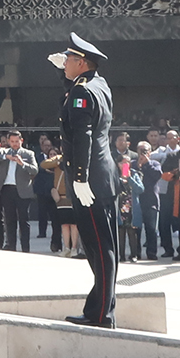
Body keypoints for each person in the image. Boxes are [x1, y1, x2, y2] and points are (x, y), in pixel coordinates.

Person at [48, 32, 116, 327]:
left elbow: (82, 135)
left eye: (68, 59)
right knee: (101, 246)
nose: (64, 62)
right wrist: (64, 75)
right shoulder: (97, 85)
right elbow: (77, 103)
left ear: (81, 62)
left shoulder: (81, 92)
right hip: (101, 175)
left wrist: (80, 177)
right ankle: (99, 308)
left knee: (98, 247)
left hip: (89, 179)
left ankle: (101, 314)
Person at [0, 130, 34, 250]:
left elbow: (35, 170)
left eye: (17, 141)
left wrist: (22, 163)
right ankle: (11, 247)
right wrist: (6, 157)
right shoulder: (4, 152)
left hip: (22, 191)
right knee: (9, 220)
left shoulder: (28, 154)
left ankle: (25, 248)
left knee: (24, 221)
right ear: (9, 142)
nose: (15, 144)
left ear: (21, 141)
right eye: (12, 141)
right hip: (7, 190)